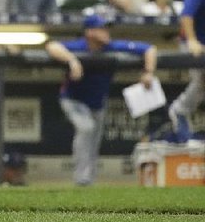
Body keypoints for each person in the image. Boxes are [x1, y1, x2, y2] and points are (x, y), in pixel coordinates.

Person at [45, 14, 156, 186]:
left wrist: (148, 72)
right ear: (89, 32)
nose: (106, 32)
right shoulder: (79, 46)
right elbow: (51, 46)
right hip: (73, 99)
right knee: (86, 128)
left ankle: (88, 181)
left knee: (94, 142)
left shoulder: (111, 46)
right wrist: (72, 60)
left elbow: (150, 49)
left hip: (97, 103)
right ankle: (81, 179)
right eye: (101, 28)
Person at [169, 0, 205, 142]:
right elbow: (187, 15)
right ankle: (179, 110)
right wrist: (191, 40)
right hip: (195, 41)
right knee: (201, 82)